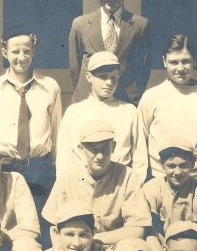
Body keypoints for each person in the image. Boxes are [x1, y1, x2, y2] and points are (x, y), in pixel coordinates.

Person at [42, 119, 152, 251]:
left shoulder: (127, 176)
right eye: (93, 150)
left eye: (105, 149)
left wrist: (95, 240)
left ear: (114, 147)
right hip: (76, 248)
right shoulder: (68, 177)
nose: (100, 156)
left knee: (137, 247)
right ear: (81, 150)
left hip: (113, 248)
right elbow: (52, 225)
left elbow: (137, 229)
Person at [0, 28, 62, 197]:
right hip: (5, 166)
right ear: (4, 52)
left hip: (39, 168)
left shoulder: (50, 87)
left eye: (27, 51)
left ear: (33, 52)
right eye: (15, 51)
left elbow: (56, 134)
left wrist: (54, 168)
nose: (21, 57)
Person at [56, 51, 147, 181]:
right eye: (103, 76)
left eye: (114, 77)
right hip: (82, 184)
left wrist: (135, 186)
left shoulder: (129, 111)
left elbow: (140, 156)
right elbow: (64, 158)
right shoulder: (74, 112)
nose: (109, 82)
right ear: (89, 76)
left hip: (120, 183)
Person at [69, 0, 151, 106]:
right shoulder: (80, 24)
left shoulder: (140, 25)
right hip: (87, 100)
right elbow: (75, 68)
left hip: (124, 102)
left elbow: (143, 68)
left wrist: (133, 97)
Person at [137, 34, 197, 181]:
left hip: (196, 178)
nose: (180, 68)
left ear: (194, 61)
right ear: (164, 62)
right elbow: (141, 139)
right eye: (174, 62)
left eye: (185, 61)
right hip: (160, 177)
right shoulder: (151, 96)